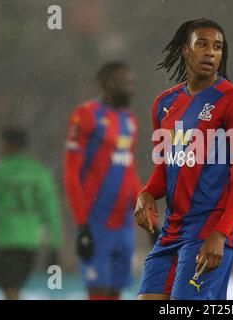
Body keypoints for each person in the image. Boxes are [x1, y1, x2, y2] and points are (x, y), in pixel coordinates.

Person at [135, 18, 233, 300]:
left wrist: (221, 234)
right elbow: (166, 168)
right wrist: (146, 194)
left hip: (210, 229)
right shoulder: (164, 104)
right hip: (172, 231)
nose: (211, 52)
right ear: (185, 50)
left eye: (217, 47)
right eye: (202, 44)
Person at [64, 61, 156, 300]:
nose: (132, 89)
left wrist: (148, 217)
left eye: (133, 83)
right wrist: (82, 224)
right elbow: (71, 173)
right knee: (98, 291)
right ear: (107, 84)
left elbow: (129, 172)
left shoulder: (130, 121)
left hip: (123, 222)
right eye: (126, 83)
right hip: (96, 220)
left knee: (116, 289)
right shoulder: (85, 115)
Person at [0, 127, 62, 300]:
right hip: (30, 242)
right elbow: (51, 211)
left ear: (9, 145)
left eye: (2, 144)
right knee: (13, 287)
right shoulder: (39, 171)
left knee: (10, 289)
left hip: (7, 240)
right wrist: (55, 244)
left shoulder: (1, 171)